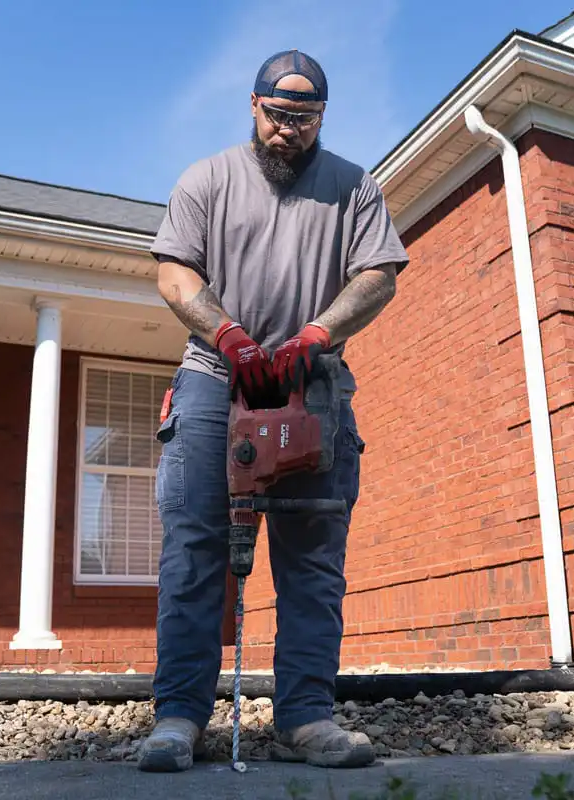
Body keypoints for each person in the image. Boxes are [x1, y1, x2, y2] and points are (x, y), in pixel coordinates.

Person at [138, 48, 409, 772]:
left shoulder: (355, 189)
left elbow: (379, 276)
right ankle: (179, 719)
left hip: (311, 383)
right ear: (253, 108)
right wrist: (225, 332)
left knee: (313, 555)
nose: (289, 129)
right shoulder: (206, 179)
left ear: (322, 116)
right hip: (211, 379)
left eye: (305, 117)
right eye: (278, 115)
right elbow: (173, 270)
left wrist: (319, 334)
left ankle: (306, 717)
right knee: (194, 549)